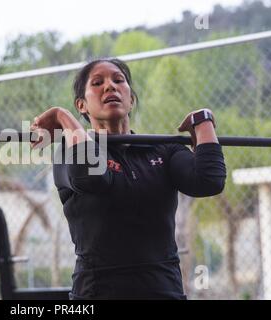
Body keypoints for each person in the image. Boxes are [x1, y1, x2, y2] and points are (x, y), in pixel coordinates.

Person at [29, 58, 227, 300]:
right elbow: (93, 179)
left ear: (131, 99)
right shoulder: (68, 154)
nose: (110, 86)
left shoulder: (163, 150)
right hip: (98, 293)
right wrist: (62, 117)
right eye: (98, 82)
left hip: (164, 291)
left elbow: (208, 181)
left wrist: (203, 121)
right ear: (82, 105)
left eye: (118, 80)